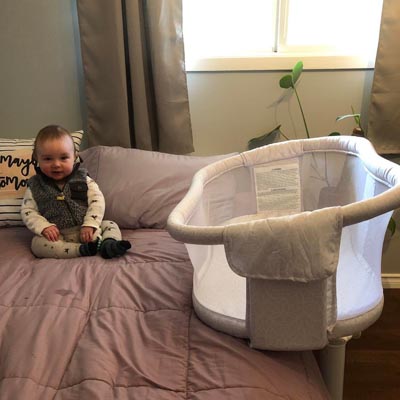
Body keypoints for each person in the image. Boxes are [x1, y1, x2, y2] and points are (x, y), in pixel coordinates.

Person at [21, 125, 131, 259]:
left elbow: (97, 201)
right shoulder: (35, 186)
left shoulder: (83, 179)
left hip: (87, 230)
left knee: (110, 224)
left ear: (74, 157)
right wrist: (44, 227)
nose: (56, 164)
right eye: (48, 159)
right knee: (37, 244)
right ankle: (80, 250)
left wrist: (90, 224)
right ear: (37, 158)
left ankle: (109, 244)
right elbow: (28, 211)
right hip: (58, 235)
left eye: (63, 158)